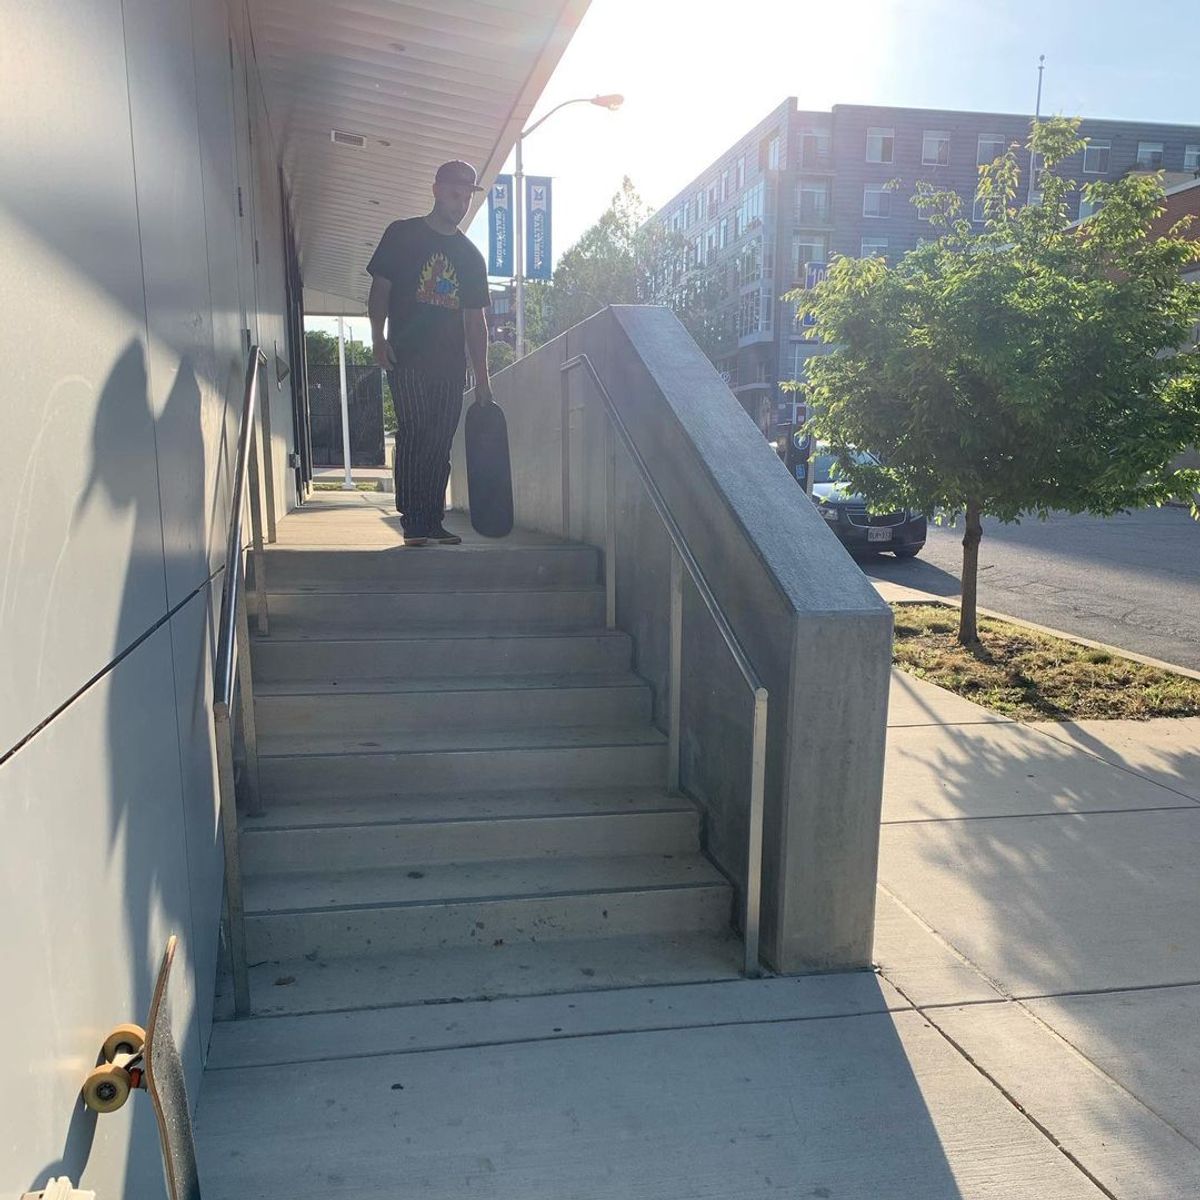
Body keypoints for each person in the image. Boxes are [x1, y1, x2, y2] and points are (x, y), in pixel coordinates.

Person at [368, 160, 492, 546]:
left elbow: (476, 322)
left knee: (439, 438)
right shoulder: (402, 235)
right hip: (405, 355)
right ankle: (413, 519)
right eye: (455, 193)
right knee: (416, 430)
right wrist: (377, 337)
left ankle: (431, 519)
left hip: (449, 364)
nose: (460, 203)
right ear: (437, 189)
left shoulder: (471, 257)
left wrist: (484, 380)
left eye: (467, 197)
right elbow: (380, 292)